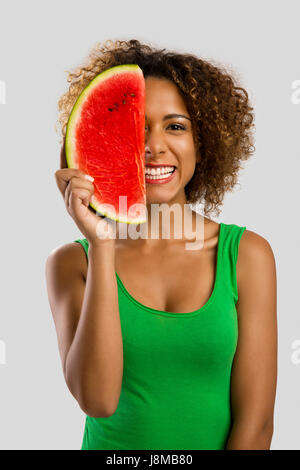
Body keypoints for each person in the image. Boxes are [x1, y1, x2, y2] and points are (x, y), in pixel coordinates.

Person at [45, 39, 277, 450]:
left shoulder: (246, 255)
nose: (153, 146)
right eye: (134, 128)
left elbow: (256, 426)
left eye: (175, 126)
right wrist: (101, 244)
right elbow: (97, 400)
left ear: (202, 142)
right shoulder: (72, 262)